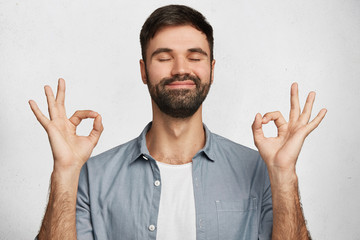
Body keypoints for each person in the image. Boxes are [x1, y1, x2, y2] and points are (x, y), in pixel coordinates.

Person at [29, 4, 327, 240]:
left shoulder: (261, 171)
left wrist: (284, 174)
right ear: (144, 71)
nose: (181, 69)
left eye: (194, 57)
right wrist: (66, 172)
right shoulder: (92, 177)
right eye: (164, 57)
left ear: (211, 69)